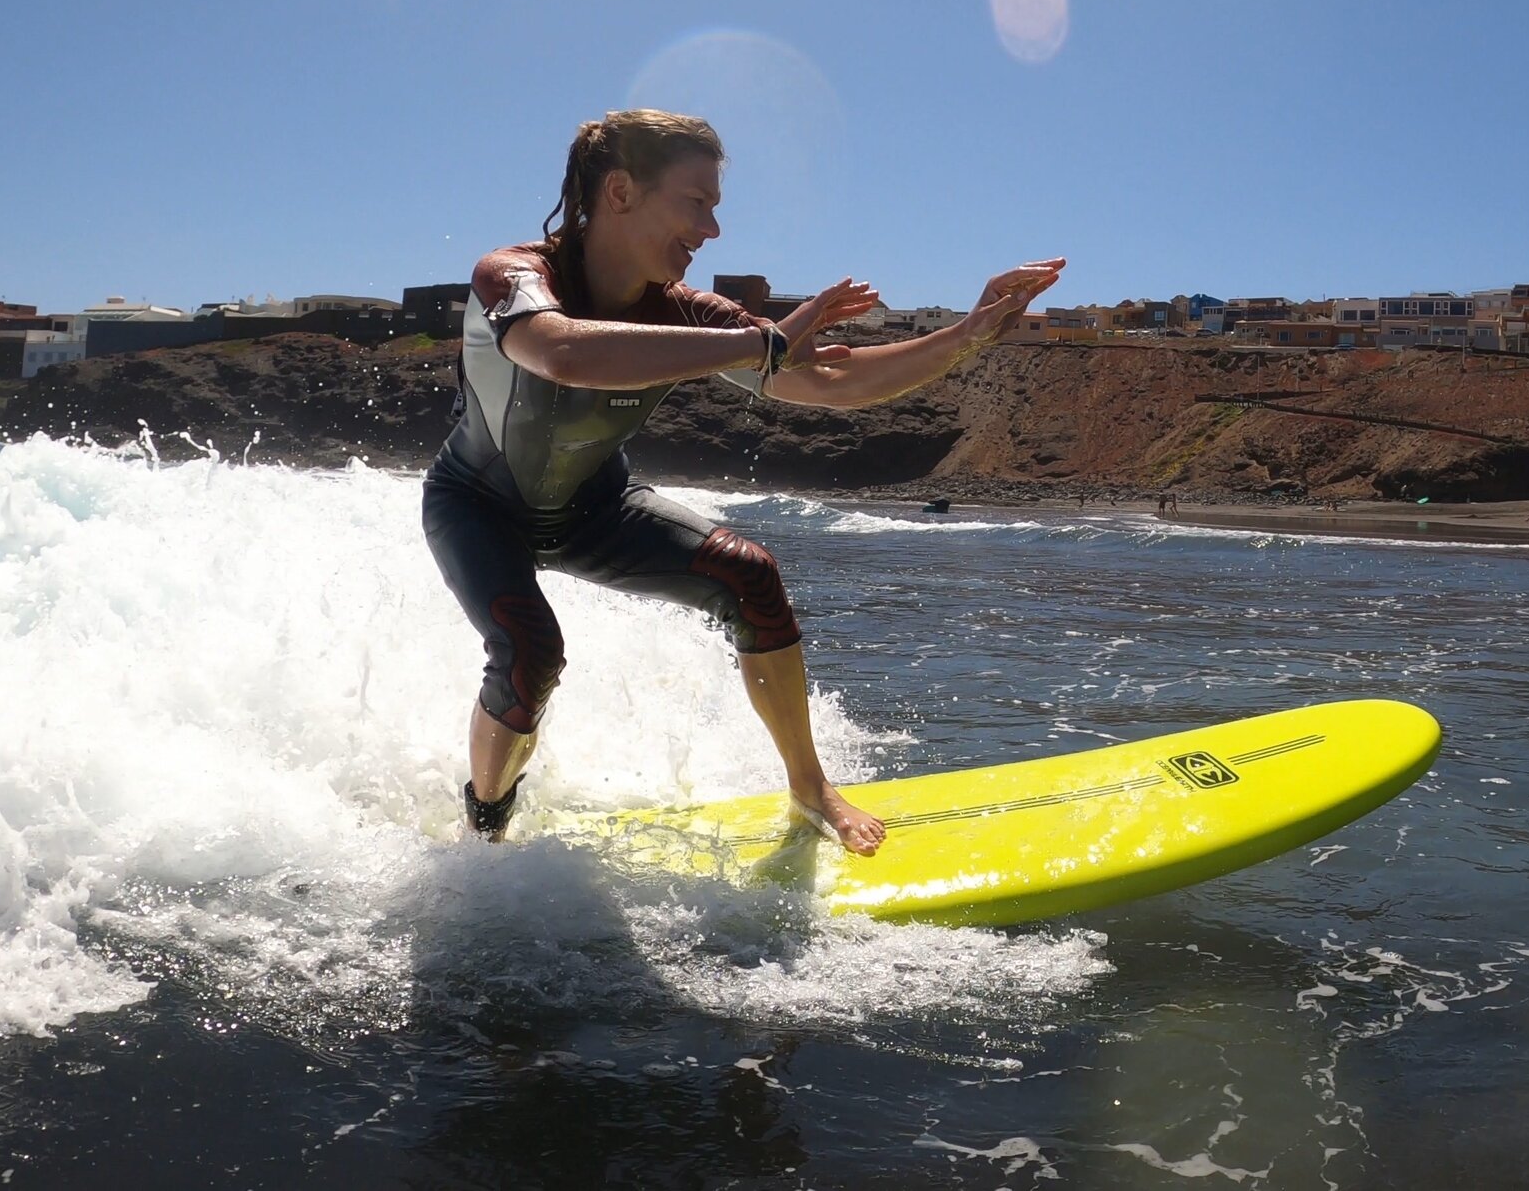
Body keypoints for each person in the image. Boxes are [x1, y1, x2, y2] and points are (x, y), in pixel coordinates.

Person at [423, 108, 1064, 850]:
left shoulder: (691, 313)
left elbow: (826, 381)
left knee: (749, 577)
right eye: (696, 203)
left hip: (594, 508)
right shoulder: (514, 275)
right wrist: (762, 344)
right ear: (622, 191)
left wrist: (966, 334)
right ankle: (486, 824)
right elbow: (561, 353)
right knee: (531, 650)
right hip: (478, 507)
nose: (712, 230)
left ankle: (811, 788)